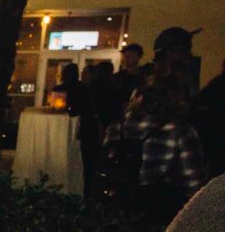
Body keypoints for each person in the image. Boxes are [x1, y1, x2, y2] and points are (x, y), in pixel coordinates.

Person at [102, 74, 207, 222]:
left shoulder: (115, 128)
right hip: (160, 215)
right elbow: (192, 183)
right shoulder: (179, 130)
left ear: (139, 98)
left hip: (119, 211)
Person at [53, 62, 100, 196]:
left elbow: (57, 109)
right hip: (85, 131)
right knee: (82, 163)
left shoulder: (61, 89)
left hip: (68, 130)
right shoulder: (84, 88)